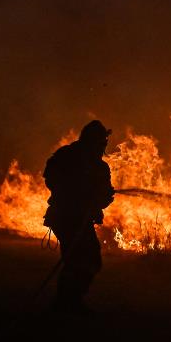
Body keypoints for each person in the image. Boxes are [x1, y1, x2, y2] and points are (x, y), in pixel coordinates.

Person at [42, 120, 115, 314]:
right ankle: (66, 305)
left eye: (104, 143)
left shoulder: (100, 167)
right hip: (65, 217)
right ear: (90, 141)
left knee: (87, 259)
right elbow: (51, 178)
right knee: (81, 258)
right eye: (100, 142)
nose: (102, 147)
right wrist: (76, 194)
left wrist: (104, 198)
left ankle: (68, 303)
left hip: (81, 219)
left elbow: (104, 196)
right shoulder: (67, 156)